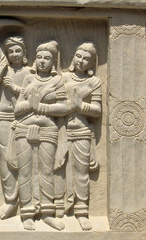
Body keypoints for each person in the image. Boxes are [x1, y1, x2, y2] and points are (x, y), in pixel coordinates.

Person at [8, 40, 67, 231]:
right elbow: (18, 109)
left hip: (48, 129)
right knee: (25, 171)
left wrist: (41, 106)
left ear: (53, 61)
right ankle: (27, 212)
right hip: (24, 129)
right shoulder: (29, 80)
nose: (42, 61)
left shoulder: (58, 81)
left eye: (47, 58)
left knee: (46, 171)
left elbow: (64, 107)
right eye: (40, 57)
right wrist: (30, 104)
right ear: (35, 59)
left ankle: (48, 213)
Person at [0, 36, 32, 219]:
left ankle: (28, 203)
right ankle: (11, 201)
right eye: (10, 51)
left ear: (25, 53)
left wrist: (16, 87)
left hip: (23, 118)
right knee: (5, 162)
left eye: (18, 50)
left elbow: (35, 96)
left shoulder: (30, 72)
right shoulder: (4, 70)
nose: (14, 54)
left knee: (23, 161)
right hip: (2, 118)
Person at [58, 42, 101, 231]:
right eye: (78, 56)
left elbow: (97, 110)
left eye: (86, 59)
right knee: (58, 169)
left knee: (81, 173)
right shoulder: (63, 78)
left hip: (82, 131)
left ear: (92, 64)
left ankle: (81, 211)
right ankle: (59, 205)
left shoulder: (94, 82)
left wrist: (80, 106)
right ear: (73, 57)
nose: (81, 61)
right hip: (59, 131)